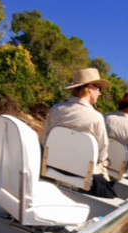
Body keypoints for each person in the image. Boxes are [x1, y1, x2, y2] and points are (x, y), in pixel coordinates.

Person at [41, 68, 116, 198]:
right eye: (98, 88)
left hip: (52, 168)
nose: (100, 93)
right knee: (111, 193)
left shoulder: (55, 109)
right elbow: (101, 155)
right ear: (88, 88)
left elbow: (44, 141)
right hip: (81, 175)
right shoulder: (96, 117)